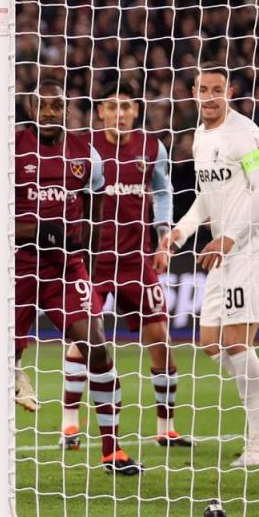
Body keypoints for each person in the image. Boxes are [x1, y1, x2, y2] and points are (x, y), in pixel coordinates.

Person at [0, 80, 144, 475]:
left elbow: (95, 215)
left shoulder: (87, 155)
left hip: (67, 270)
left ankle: (112, 451)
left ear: (68, 109)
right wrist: (42, 232)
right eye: (41, 104)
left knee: (96, 348)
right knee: (1, 362)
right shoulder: (8, 148)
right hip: (18, 268)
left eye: (56, 104)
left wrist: (90, 268)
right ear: (30, 107)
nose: (48, 111)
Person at [155, 64, 259, 467]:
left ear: (230, 92)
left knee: (236, 341)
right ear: (193, 92)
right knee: (211, 340)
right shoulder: (199, 137)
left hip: (253, 247)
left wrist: (229, 237)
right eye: (203, 89)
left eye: (217, 90)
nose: (209, 97)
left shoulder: (244, 134)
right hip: (222, 251)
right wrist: (179, 233)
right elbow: (206, 199)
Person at [62, 82, 192, 450]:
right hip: (92, 263)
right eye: (112, 106)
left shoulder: (152, 147)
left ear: (137, 111)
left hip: (137, 261)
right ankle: (70, 424)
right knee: (85, 341)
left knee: (162, 343)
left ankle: (166, 427)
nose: (119, 113)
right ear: (99, 111)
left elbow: (163, 190)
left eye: (127, 107)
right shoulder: (84, 148)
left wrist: (163, 237)